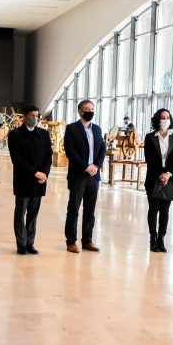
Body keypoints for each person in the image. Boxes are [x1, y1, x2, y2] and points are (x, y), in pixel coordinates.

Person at [7, 105, 52, 254]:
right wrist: (35, 172)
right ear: (24, 117)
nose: (35, 118)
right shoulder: (14, 135)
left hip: (39, 181)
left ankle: (30, 243)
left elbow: (48, 156)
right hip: (23, 179)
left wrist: (44, 174)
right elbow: (17, 159)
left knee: (33, 213)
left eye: (37, 116)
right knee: (20, 213)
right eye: (32, 115)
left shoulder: (44, 134)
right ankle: (21, 243)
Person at [63, 99, 105, 253]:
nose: (90, 111)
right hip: (78, 175)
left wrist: (96, 166)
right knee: (73, 208)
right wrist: (86, 166)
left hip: (94, 176)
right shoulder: (71, 129)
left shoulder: (98, 129)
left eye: (92, 108)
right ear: (80, 111)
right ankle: (71, 242)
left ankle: (87, 240)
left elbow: (102, 150)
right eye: (87, 108)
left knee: (90, 210)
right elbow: (70, 151)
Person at [143, 109, 173, 253]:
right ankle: (153, 238)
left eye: (167, 117)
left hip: (169, 178)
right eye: (162, 117)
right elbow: (149, 159)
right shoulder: (150, 137)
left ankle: (161, 238)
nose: (165, 120)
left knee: (165, 209)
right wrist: (161, 174)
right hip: (153, 177)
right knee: (153, 208)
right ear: (157, 120)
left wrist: (168, 174)